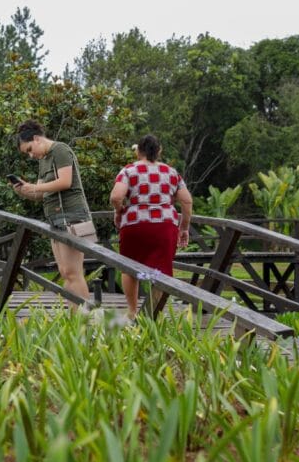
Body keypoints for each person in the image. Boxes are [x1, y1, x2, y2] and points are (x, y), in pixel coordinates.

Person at [109, 134, 193, 318]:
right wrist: (184, 228)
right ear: (159, 151)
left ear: (138, 151)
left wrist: (119, 211)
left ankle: (132, 311)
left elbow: (116, 197)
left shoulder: (128, 170)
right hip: (164, 226)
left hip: (134, 225)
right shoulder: (171, 173)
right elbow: (186, 202)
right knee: (162, 270)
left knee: (129, 267)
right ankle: (154, 314)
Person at [11, 120, 91, 306]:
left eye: (30, 149)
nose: (31, 155)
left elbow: (65, 182)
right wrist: (24, 190)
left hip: (73, 215)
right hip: (55, 217)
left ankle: (84, 321)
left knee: (74, 272)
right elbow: (41, 193)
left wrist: (34, 187)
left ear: (37, 139)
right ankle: (74, 320)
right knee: (65, 272)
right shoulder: (44, 160)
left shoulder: (60, 150)